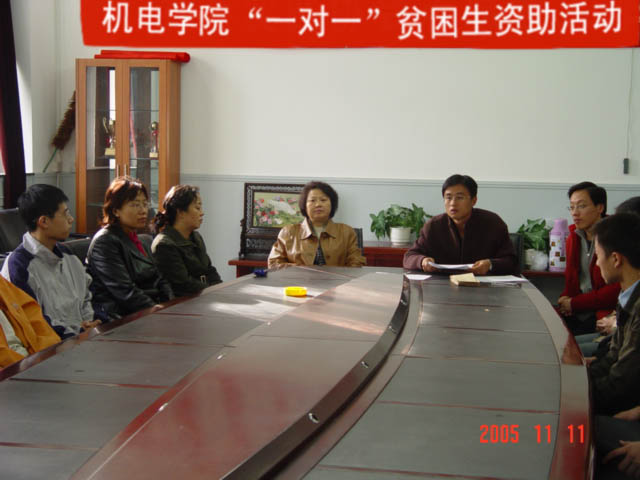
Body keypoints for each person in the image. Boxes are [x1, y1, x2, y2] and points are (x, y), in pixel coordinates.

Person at [1, 184, 103, 338]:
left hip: (87, 339)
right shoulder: (19, 267)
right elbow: (34, 325)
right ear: (44, 222)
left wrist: (93, 321)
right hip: (52, 347)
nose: (71, 219)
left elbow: (90, 295)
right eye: (65, 214)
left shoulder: (68, 256)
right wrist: (78, 332)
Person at [87, 176, 173, 317]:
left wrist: (171, 305)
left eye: (145, 204)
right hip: (121, 317)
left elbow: (160, 279)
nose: (143, 210)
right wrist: (159, 312)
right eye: (135, 205)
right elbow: (125, 292)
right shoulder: (105, 241)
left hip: (149, 311)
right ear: (115, 210)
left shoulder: (140, 239)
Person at [403, 174, 516, 275]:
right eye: (448, 197)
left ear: (474, 200)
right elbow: (409, 257)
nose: (453, 203)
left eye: (459, 198)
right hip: (442, 286)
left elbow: (511, 261)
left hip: (483, 286)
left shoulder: (493, 223)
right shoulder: (433, 226)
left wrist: (490, 264)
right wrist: (422, 261)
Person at [588, 213, 640, 415]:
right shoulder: (628, 293)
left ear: (616, 259)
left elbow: (621, 385)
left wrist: (575, 396)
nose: (597, 264)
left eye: (598, 256)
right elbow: (612, 357)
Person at [558, 182, 620, 336]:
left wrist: (574, 303)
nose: (575, 213)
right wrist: (565, 299)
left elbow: (616, 289)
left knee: (569, 346)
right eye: (571, 207)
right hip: (578, 311)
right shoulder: (573, 236)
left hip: (603, 315)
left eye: (581, 206)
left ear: (600, 207)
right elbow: (572, 280)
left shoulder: (615, 237)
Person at [268, 181, 366, 268]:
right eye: (312, 200)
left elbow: (357, 264)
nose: (318, 204)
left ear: (332, 204)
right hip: (298, 283)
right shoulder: (288, 232)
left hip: (338, 282)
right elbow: (274, 264)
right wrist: (302, 271)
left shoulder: (346, 232)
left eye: (323, 200)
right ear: (304, 205)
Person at [151, 185, 222, 297]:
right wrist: (212, 292)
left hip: (203, 296)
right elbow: (184, 284)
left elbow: (209, 270)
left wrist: (221, 289)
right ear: (181, 212)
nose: (202, 213)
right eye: (197, 208)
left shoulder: (196, 237)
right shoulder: (164, 244)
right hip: (183, 302)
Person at [0, 275, 60, 368]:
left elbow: (38, 323)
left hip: (35, 362)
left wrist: (46, 355)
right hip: (14, 370)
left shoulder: (3, 284)